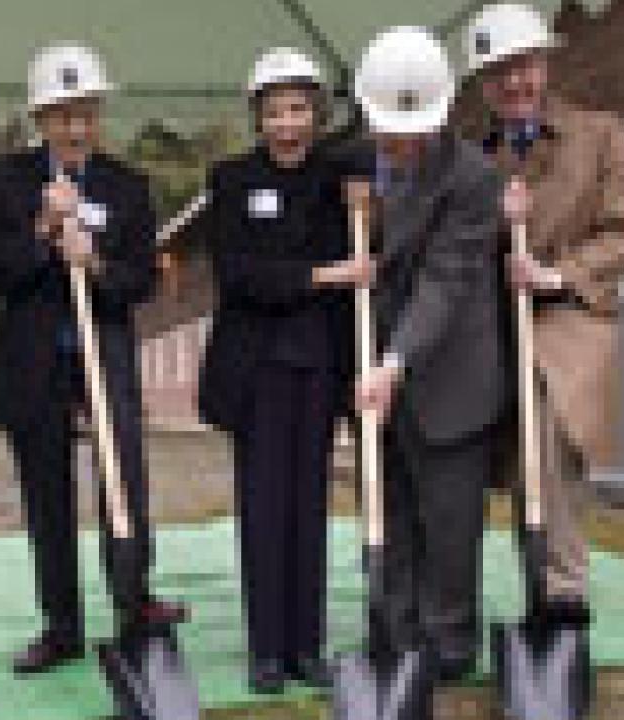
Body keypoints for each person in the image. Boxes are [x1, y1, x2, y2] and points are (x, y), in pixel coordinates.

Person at [0, 43, 187, 675]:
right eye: (62, 115)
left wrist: (94, 263)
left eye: (85, 113)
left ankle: (133, 601)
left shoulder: (126, 186)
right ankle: (61, 624)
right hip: (34, 356)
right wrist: (42, 231)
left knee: (123, 476)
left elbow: (141, 279)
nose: (76, 127)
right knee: (47, 492)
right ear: (39, 118)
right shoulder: (1, 183)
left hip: (106, 349)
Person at [461, 3, 624, 622]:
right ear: (483, 82)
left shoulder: (600, 135)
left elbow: (623, 233)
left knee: (555, 444)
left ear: (545, 64)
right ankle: (539, 585)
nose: (515, 82)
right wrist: (493, 222)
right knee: (517, 462)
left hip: (569, 319)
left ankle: (564, 591)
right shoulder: (474, 159)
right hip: (497, 326)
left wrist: (554, 274)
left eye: (526, 66)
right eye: (499, 71)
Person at [197, 48, 367, 693]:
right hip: (259, 369)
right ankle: (267, 650)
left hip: (321, 363)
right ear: (258, 119)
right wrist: (323, 274)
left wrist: (360, 200)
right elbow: (239, 275)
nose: (287, 125)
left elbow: (371, 156)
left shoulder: (339, 178)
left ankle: (307, 648)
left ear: (318, 114)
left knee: (310, 508)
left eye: (298, 109)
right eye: (274, 113)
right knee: (265, 508)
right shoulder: (232, 180)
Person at [350, 26, 506, 684]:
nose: (402, 143)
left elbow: (445, 280)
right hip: (378, 373)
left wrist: (395, 360)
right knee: (391, 506)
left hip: (448, 374)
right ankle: (395, 629)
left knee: (450, 518)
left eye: (413, 130)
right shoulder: (353, 168)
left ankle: (449, 641)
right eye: (390, 130)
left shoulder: (473, 177)